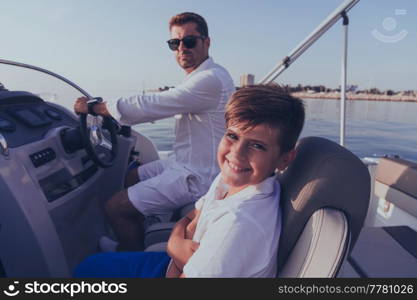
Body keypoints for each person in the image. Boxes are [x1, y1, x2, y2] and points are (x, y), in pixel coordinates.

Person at [74, 84, 305, 278]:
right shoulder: (231, 180)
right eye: (232, 136)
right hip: (177, 261)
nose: (236, 154)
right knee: (90, 265)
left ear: (285, 159)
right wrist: (176, 244)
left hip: (177, 271)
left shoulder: (238, 225)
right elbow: (194, 214)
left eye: (257, 145)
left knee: (86, 274)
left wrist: (177, 256)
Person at [74, 12, 235, 251]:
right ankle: (140, 224)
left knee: (115, 207)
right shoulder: (200, 77)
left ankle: (130, 257)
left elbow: (153, 104)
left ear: (206, 42)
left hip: (199, 175)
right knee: (128, 178)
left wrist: (96, 108)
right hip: (183, 161)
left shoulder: (211, 79)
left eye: (190, 41)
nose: (182, 48)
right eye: (175, 43)